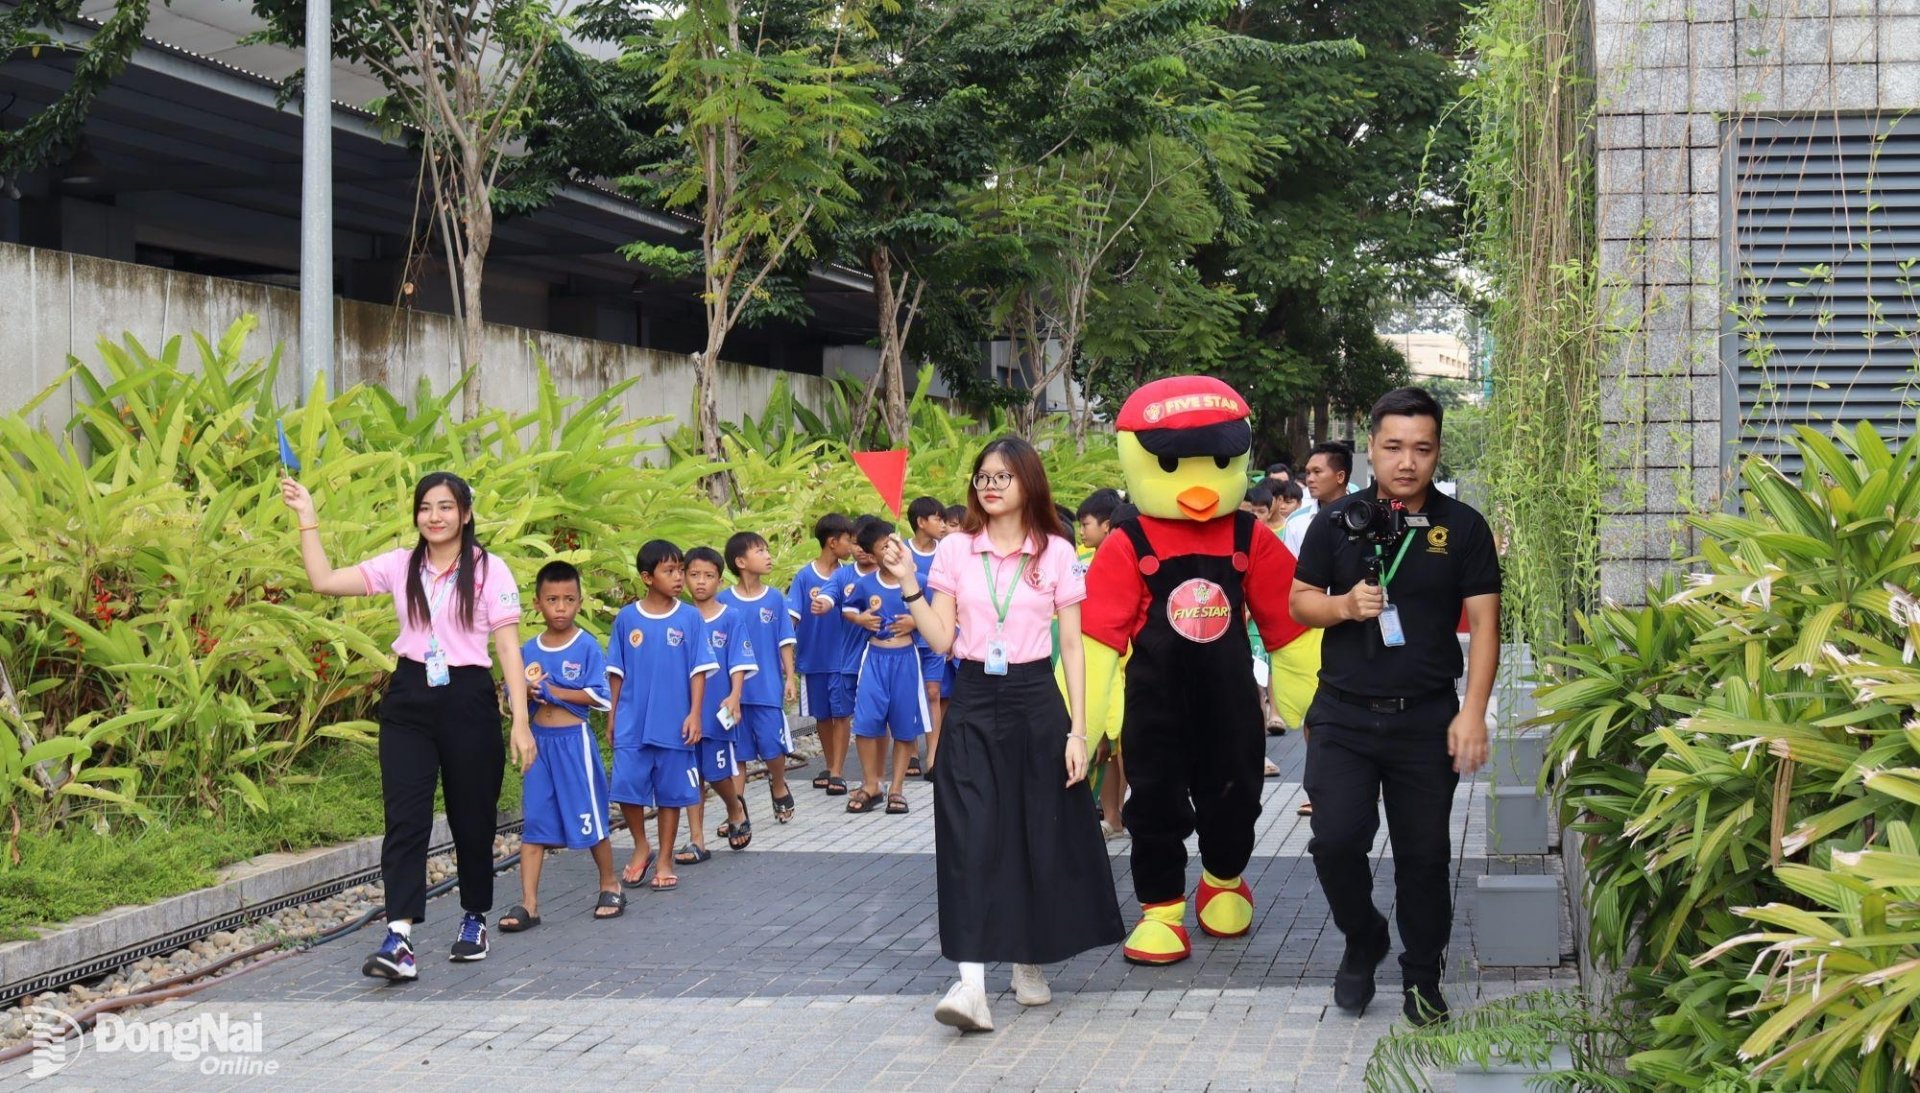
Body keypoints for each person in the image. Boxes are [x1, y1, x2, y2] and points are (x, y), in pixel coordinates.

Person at [880, 436, 1123, 1033]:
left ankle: (1029, 959)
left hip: (1037, 698)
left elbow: (1072, 647)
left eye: (1003, 476)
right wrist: (910, 580)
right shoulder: (958, 550)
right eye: (983, 476)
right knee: (970, 835)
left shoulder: (1058, 553)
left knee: (1036, 830)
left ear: (1028, 484)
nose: (990, 485)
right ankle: (970, 987)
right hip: (972, 701)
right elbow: (939, 639)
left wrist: (1078, 730)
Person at [1289, 386, 1502, 1027]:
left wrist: (1472, 711)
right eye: (1393, 447)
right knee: (1334, 841)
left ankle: (1421, 977)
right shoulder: (1335, 520)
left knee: (1424, 856)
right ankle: (1363, 938)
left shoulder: (1461, 527)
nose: (1407, 462)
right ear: (1371, 451)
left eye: (1422, 449)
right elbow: (1300, 602)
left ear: (1436, 452)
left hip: (1425, 717)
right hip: (1343, 714)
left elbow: (1487, 626)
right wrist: (1344, 607)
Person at [279, 471, 531, 980]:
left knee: (472, 817)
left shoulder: (489, 570)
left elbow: (507, 647)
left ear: (464, 513)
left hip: (468, 697)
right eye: (425, 508)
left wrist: (520, 721)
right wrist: (308, 519)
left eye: (444, 507)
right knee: (405, 818)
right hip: (410, 697)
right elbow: (324, 581)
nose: (433, 517)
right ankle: (399, 937)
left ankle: (473, 918)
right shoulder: (400, 565)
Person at [500, 561, 623, 932]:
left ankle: (609, 883)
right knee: (534, 822)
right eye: (552, 600)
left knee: (589, 817)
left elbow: (599, 697)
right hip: (539, 744)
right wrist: (524, 692)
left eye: (569, 600)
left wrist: (556, 691)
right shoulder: (525, 649)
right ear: (537, 603)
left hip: (574, 744)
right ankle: (529, 904)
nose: (560, 607)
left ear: (579, 602)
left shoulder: (585, 645)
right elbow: (509, 693)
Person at [606, 540, 717, 893]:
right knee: (626, 787)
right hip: (632, 721)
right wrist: (612, 715)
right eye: (669, 571)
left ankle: (665, 858)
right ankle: (642, 845)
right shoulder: (627, 618)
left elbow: (699, 670)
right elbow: (616, 672)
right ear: (647, 577)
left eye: (680, 570)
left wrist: (695, 714)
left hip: (675, 723)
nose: (678, 578)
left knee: (671, 794)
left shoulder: (689, 617)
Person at [845, 518, 927, 815]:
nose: (892, 551)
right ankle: (871, 784)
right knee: (866, 723)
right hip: (875, 659)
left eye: (895, 544)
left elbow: (939, 617)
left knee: (905, 726)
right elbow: (849, 611)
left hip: (906, 661)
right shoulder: (865, 584)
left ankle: (897, 788)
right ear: (871, 555)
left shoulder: (920, 582)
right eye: (883, 547)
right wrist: (860, 619)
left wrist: (915, 621)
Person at [719, 531, 799, 824]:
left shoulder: (776, 599)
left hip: (767, 687)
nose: (768, 556)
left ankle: (778, 784)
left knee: (772, 746)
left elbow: (784, 641)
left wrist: (790, 677)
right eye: (760, 551)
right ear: (740, 561)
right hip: (732, 693)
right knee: (736, 753)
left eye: (767, 550)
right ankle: (736, 813)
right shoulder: (723, 601)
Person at [682, 546, 754, 861]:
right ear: (683, 577)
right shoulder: (680, 617)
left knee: (717, 772)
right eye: (694, 575)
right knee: (690, 774)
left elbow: (739, 660)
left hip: (719, 709)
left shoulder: (731, 617)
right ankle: (696, 840)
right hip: (685, 710)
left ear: (719, 580)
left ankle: (734, 807)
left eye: (708, 576)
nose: (701, 582)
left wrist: (735, 695)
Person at [1068, 488, 1129, 837]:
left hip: (1121, 669)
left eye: (1086, 524)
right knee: (1101, 750)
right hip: (1093, 669)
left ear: (1107, 525)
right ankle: (1111, 817)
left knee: (1120, 750)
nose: (1082, 532)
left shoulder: (1120, 562)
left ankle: (1122, 813)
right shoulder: (1080, 561)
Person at [789, 514, 856, 795]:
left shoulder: (849, 576)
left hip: (842, 659)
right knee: (823, 717)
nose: (853, 546)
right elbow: (791, 618)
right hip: (813, 660)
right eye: (848, 540)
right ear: (832, 542)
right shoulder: (805, 577)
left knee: (842, 715)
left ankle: (838, 772)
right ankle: (830, 766)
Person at [905, 497, 948, 777]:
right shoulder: (901, 551)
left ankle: (934, 756)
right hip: (906, 635)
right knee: (907, 694)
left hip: (936, 634)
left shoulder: (946, 552)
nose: (943, 525)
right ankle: (909, 753)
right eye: (937, 519)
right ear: (921, 522)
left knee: (934, 692)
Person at [1285, 440, 1353, 557]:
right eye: (1308, 473)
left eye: (1317, 472)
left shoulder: (1363, 517)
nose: (1310, 479)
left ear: (1340, 477)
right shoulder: (1296, 522)